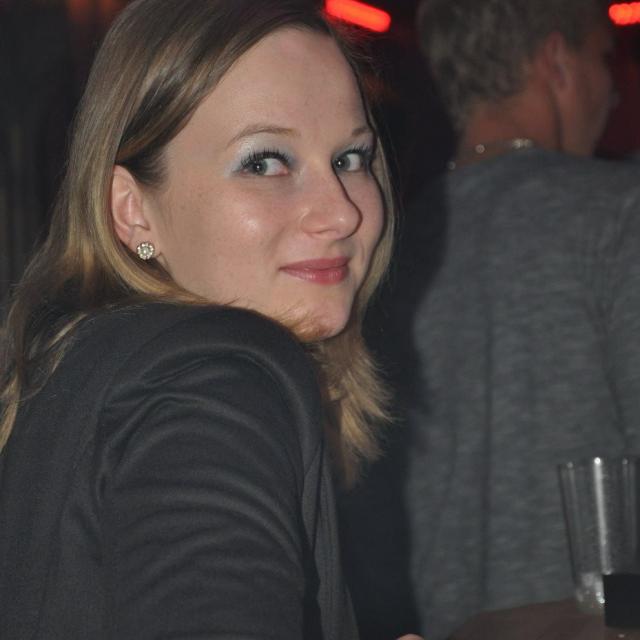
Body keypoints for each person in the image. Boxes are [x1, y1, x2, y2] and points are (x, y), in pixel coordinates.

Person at [0, 1, 424, 638]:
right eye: (265, 162)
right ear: (132, 210)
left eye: (349, 159)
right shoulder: (216, 380)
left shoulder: (71, 369)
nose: (342, 213)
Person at [402, 0, 640, 638]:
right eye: (604, 57)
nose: (615, 88)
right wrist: (606, 614)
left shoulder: (374, 251)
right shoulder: (622, 215)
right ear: (556, 61)